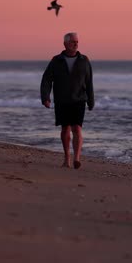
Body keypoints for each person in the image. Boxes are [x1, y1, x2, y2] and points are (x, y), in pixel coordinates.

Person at [41, 32, 94, 169]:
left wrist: (91, 100)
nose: (76, 44)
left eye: (77, 42)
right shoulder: (56, 60)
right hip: (62, 100)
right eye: (72, 42)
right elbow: (47, 79)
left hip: (79, 99)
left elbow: (89, 82)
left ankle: (76, 158)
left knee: (76, 128)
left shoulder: (84, 60)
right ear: (65, 44)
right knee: (65, 129)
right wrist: (45, 97)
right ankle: (67, 159)